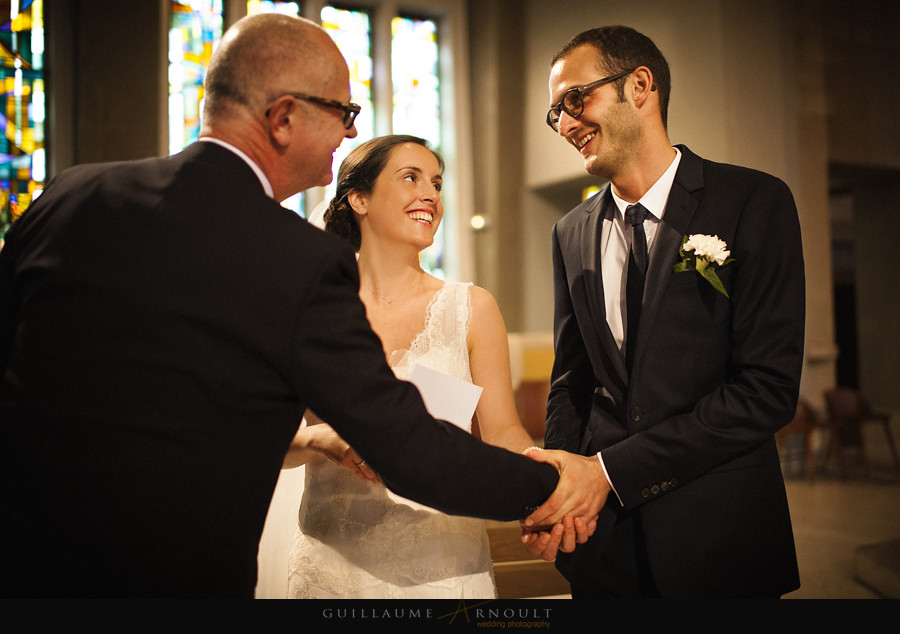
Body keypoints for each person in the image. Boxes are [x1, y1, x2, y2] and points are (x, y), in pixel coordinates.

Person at [0, 14, 596, 599]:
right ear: (284, 117)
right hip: (177, 575)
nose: (345, 134)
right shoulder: (295, 260)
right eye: (343, 112)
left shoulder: (70, 195)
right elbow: (405, 446)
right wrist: (553, 486)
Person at [530, 26, 805, 598]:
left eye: (575, 100)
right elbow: (571, 381)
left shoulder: (753, 201)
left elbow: (766, 390)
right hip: (604, 546)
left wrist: (607, 474)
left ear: (640, 85)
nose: (565, 124)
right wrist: (565, 484)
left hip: (720, 535)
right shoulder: (569, 232)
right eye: (555, 113)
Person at [277, 135, 542, 599]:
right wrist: (320, 440)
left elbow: (504, 435)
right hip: (331, 567)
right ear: (358, 198)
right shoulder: (309, 308)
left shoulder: (471, 308)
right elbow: (263, 443)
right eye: (411, 178)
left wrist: (552, 486)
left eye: (437, 183)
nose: (431, 195)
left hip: (443, 565)